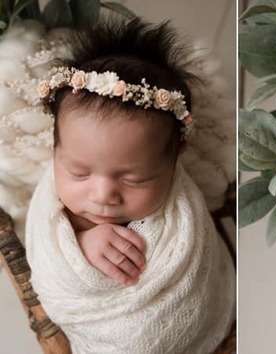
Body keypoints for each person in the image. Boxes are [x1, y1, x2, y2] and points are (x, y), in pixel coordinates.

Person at [25, 17, 234, 353]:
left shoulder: (178, 209)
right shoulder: (56, 202)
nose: (103, 194)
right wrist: (80, 242)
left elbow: (197, 272)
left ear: (175, 156)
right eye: (78, 172)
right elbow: (48, 251)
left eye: (134, 178)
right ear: (56, 150)